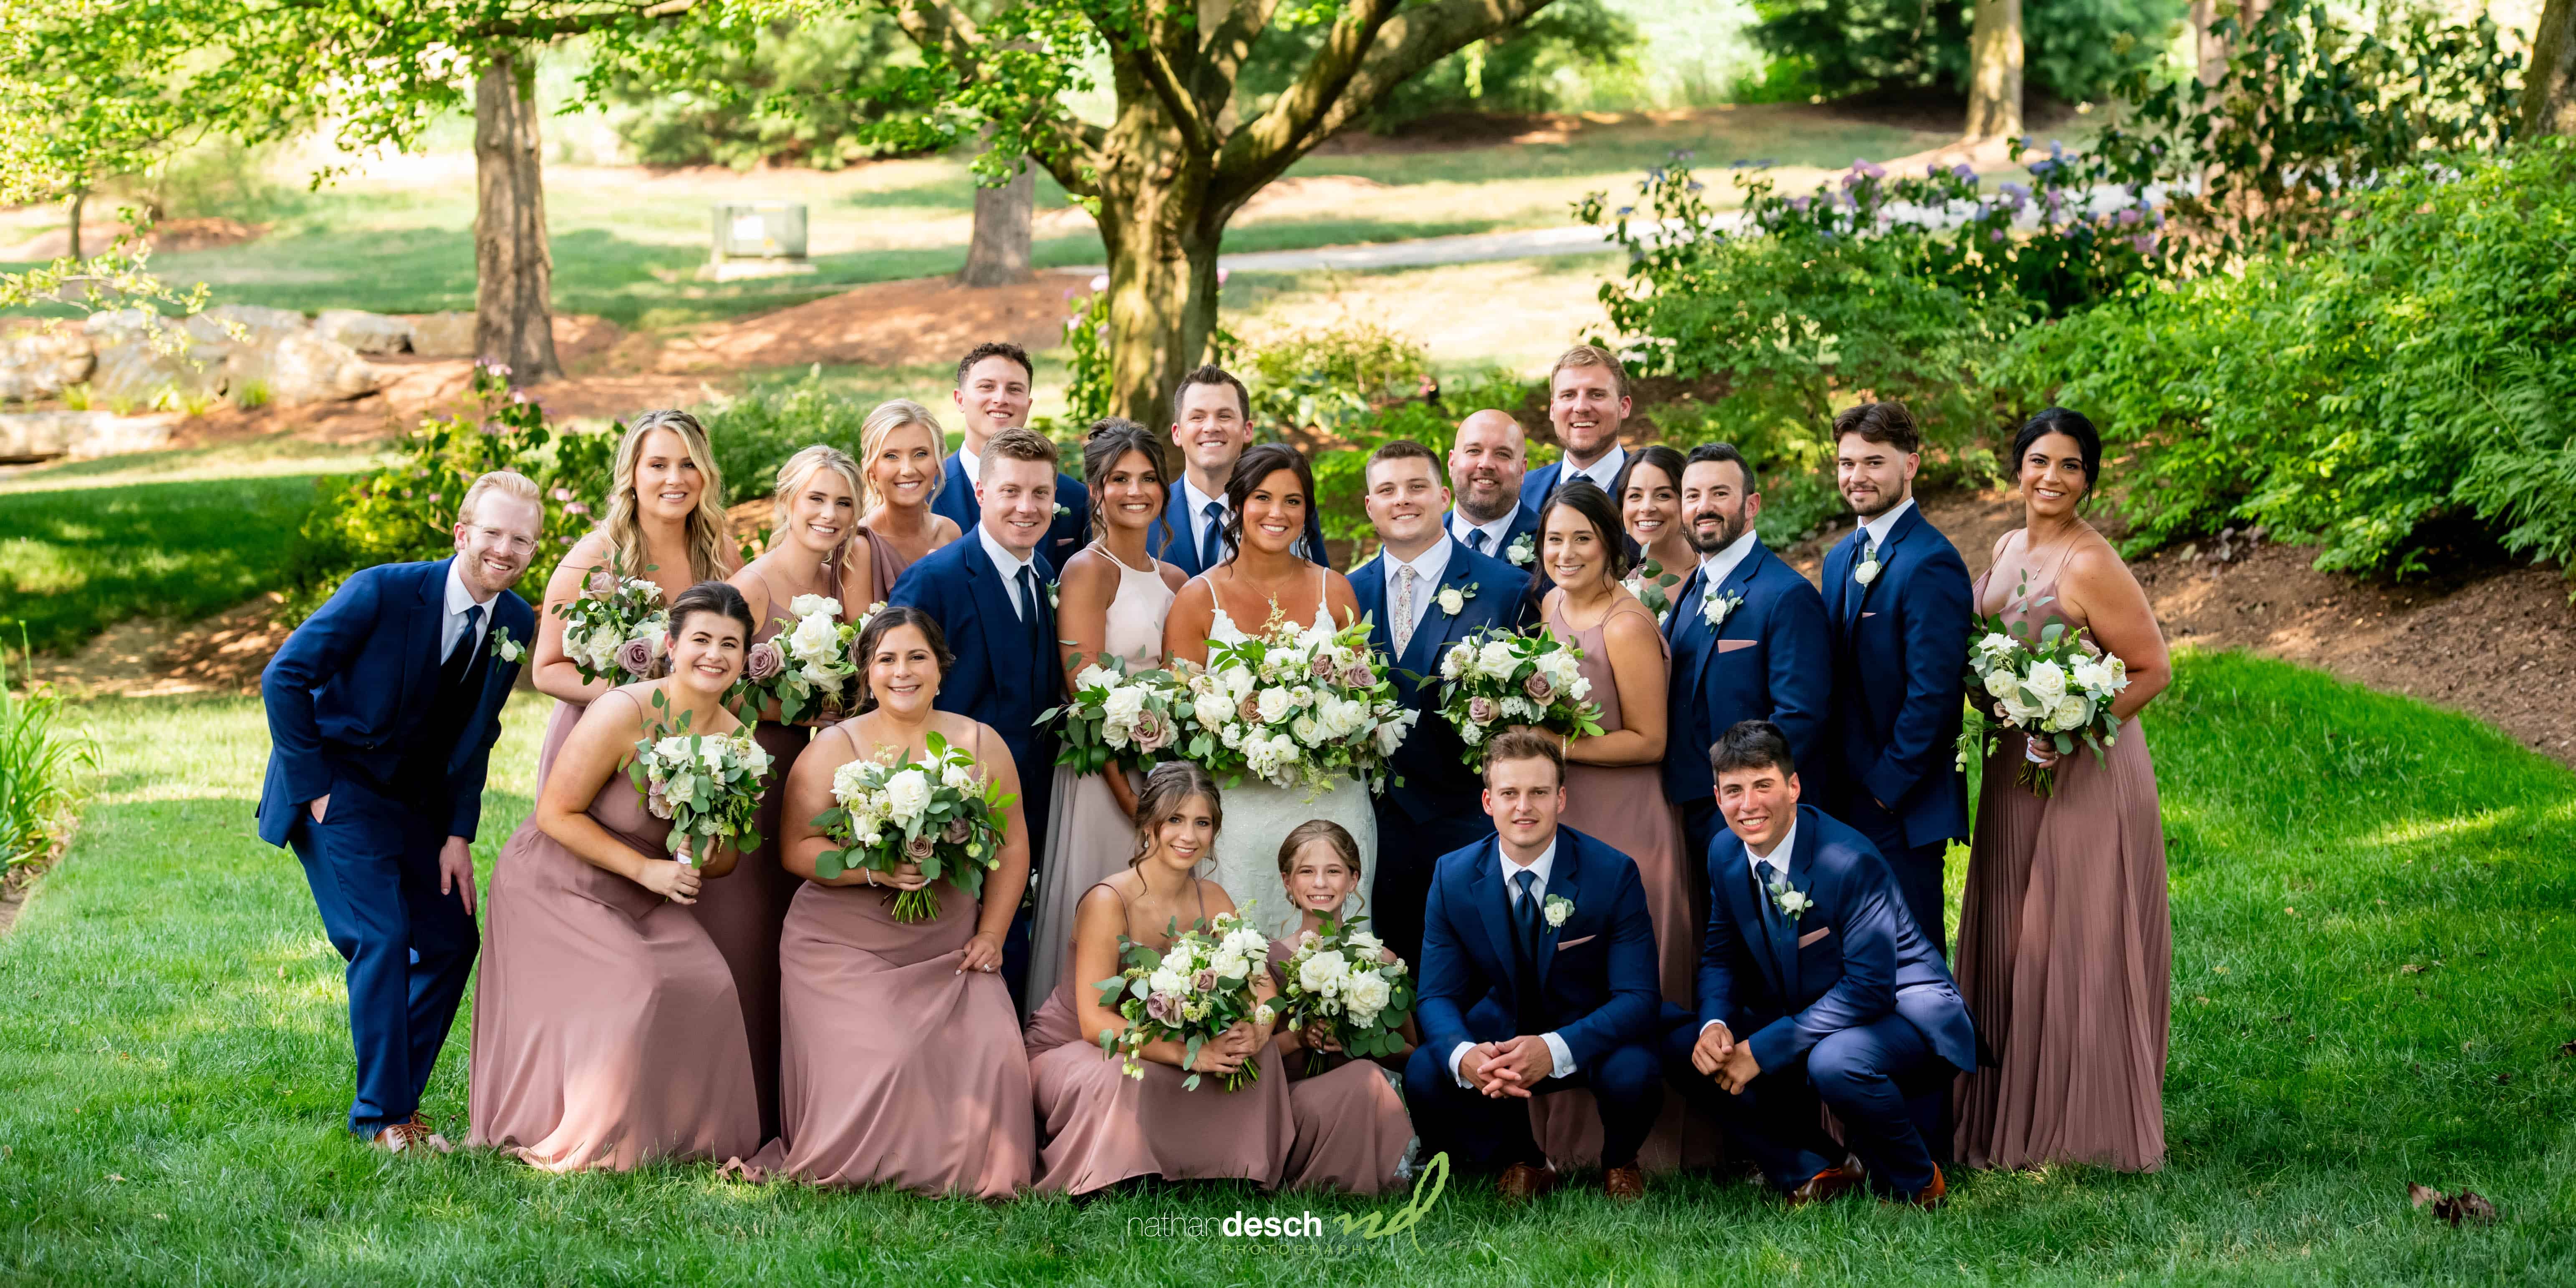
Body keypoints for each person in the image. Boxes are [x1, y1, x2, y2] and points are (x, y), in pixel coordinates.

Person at [255, 470, 544, 1154]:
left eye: (522, 539)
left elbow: (481, 733)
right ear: (462, 532)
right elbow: (284, 676)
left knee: (450, 938)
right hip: (341, 787)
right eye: (493, 532)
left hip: (414, 806)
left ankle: (397, 1106)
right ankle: (381, 1118)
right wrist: (317, 788)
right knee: (380, 937)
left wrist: (455, 834)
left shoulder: (514, 621)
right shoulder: (382, 592)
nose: (504, 549)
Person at [467, 582, 764, 1172]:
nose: (714, 655)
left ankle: (683, 1139)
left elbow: (728, 856)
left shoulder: (736, 739)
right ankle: (600, 1133)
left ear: (745, 657)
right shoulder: (625, 710)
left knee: (710, 982)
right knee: (638, 984)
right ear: (672, 645)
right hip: (556, 880)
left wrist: (699, 853)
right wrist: (646, 869)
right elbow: (555, 812)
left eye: (730, 644)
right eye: (701, 639)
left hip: (643, 894)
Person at [746, 607, 1036, 1196]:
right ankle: (877, 1165)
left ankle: (960, 1166)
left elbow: (1011, 847)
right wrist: (874, 867)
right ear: (866, 672)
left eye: (917, 657)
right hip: (844, 945)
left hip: (948, 943)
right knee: (890, 1052)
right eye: (886, 659)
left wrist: (991, 935)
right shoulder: (835, 746)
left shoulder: (981, 742)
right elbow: (797, 850)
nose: (902, 672)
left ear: (941, 667)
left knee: (996, 1053)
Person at [1954, 408, 2173, 1173]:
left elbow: (2150, 668)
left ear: (2089, 478)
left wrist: (2072, 725)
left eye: (2071, 465)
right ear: (2015, 468)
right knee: (2018, 929)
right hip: (2017, 766)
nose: (2052, 476)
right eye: (2038, 460)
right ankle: (2013, 1097)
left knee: (2076, 929)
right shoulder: (2008, 545)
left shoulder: (2089, 563)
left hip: (2086, 769)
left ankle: (2083, 1122)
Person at [1664, 720, 1977, 1208]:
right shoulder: (1724, 851)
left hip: (1901, 1013)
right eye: (1733, 791)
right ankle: (1816, 1168)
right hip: (1811, 1006)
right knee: (1679, 1041)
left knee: (1835, 1062)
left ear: (1793, 786)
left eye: (1763, 785)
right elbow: (1721, 954)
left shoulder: (1846, 861)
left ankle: (1917, 1181)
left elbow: (1869, 989)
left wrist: (1760, 1049)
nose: (1748, 805)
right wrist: (1714, 1025)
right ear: (1716, 795)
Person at [1403, 731, 1668, 1203]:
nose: (1523, 807)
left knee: (1635, 1071)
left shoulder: (1612, 873)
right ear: (1488, 801)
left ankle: (1619, 1162)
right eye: (1509, 793)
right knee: (1427, 1070)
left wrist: (1554, 1047)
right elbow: (1436, 995)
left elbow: (1639, 999)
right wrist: (1464, 1053)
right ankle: (1523, 1158)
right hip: (1502, 1032)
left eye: (1538, 793)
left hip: (1588, 1036)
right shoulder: (1453, 874)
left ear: (1561, 798)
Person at [1023, 763, 1294, 1195]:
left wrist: (1258, 1029)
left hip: (1165, 1038)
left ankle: (1226, 1170)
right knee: (1121, 1074)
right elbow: (1096, 1025)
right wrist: (1193, 1056)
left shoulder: (1215, 899)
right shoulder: (1107, 901)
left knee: (1256, 1056)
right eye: (1175, 820)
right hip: (1078, 1044)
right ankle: (1122, 1174)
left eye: (1201, 823)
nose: (1188, 836)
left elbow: (1262, 984)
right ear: (1148, 824)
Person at [1162, 443, 1376, 944]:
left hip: (1333, 806)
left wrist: (1332, 726)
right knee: (1243, 956)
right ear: (1236, 505)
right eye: (1262, 497)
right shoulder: (1197, 599)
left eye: (1293, 501)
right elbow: (1179, 724)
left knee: (1334, 962)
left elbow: (1363, 698)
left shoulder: (1336, 591)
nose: (1277, 513)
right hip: (1240, 818)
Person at [722, 445, 876, 1139]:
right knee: (750, 928)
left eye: (843, 502)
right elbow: (715, 693)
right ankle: (740, 1098)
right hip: (763, 768)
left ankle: (801, 1094)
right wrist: (803, 711)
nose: (829, 514)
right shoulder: (753, 585)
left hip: (826, 776)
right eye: (816, 499)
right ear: (787, 500)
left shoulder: (850, 575)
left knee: (800, 932)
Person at [886, 426, 1066, 1006]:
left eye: (1040, 493)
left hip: (1017, 821)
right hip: (945, 821)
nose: (1027, 506)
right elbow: (892, 696)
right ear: (982, 493)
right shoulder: (935, 579)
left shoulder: (1041, 577)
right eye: (1011, 490)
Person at [1346, 438, 1530, 965]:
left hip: (1469, 822)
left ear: (1444, 495)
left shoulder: (1506, 589)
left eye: (1416, 487)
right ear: (1369, 505)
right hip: (1375, 828)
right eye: (1386, 490)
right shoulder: (1343, 593)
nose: (1401, 500)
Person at [1025, 418, 1188, 1013]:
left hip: (1165, 777)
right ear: (1095, 489)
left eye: (1148, 477)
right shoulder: (1087, 571)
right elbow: (1082, 697)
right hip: (1104, 776)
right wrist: (1133, 803)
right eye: (1119, 478)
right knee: (1103, 910)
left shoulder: (1175, 579)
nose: (1135, 490)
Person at [1819, 402, 1973, 957]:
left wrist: (1882, 792)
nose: (1855, 476)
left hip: (1899, 802)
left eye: (1873, 462)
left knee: (1914, 958)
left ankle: (1941, 1048)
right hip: (1845, 794)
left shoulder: (1930, 562)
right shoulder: (1839, 558)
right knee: (1858, 953)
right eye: (1845, 462)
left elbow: (1934, 694)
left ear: (1910, 466)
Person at [527, 409, 738, 786]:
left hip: (695, 743)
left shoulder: (722, 553)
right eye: (658, 465)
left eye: (688, 464)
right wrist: (636, 703)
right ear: (633, 475)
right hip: (606, 742)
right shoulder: (594, 558)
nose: (675, 479)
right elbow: (546, 669)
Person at [1661, 444, 1831, 864]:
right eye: (1692, 495)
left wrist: (1742, 800)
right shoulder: (1690, 590)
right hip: (1688, 809)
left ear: (1751, 504)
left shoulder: (1785, 595)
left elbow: (1799, 716)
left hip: (1750, 818)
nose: (1704, 507)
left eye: (1720, 493)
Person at [1266, 820, 1416, 1195]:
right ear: (1287, 881)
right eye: (1306, 871)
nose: (1320, 883)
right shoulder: (1268, 959)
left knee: (1364, 1074)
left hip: (1363, 1090)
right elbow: (1254, 1055)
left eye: (1333, 871)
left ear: (1353, 880)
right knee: (1361, 1077)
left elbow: (1413, 1054)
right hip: (1291, 1105)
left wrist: (1364, 1040)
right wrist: (1299, 1037)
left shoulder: (1379, 959)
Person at [1146, 365, 1329, 576]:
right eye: (1198, 417)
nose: (1211, 427)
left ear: (1247, 430)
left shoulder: (1287, 511)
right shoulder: (1148, 513)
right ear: (1177, 433)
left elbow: (1320, 589)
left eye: (1225, 416)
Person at [933, 342, 1091, 564]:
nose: (1001, 399)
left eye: (1014, 389)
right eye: (987, 387)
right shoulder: (926, 493)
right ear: (960, 400)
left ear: (1028, 404)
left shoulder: (1073, 495)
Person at [855, 398, 962, 587]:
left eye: (920, 454)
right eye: (891, 456)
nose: (908, 470)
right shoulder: (859, 544)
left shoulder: (949, 533)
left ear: (938, 464)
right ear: (871, 469)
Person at [1518, 345, 1633, 508]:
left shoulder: (1658, 489)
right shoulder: (1522, 492)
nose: (1581, 407)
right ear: (1553, 409)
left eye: (1597, 395)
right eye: (1568, 395)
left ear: (1624, 407)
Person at [1446, 409, 1543, 571]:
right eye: (1474, 451)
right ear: (1452, 463)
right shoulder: (1418, 543)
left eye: (1503, 454)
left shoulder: (1550, 543)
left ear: (1522, 470)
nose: (1486, 464)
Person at [1614, 444, 1691, 620]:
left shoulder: (1711, 580)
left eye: (1663, 495)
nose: (1647, 508)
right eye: (1635, 496)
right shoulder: (1625, 587)